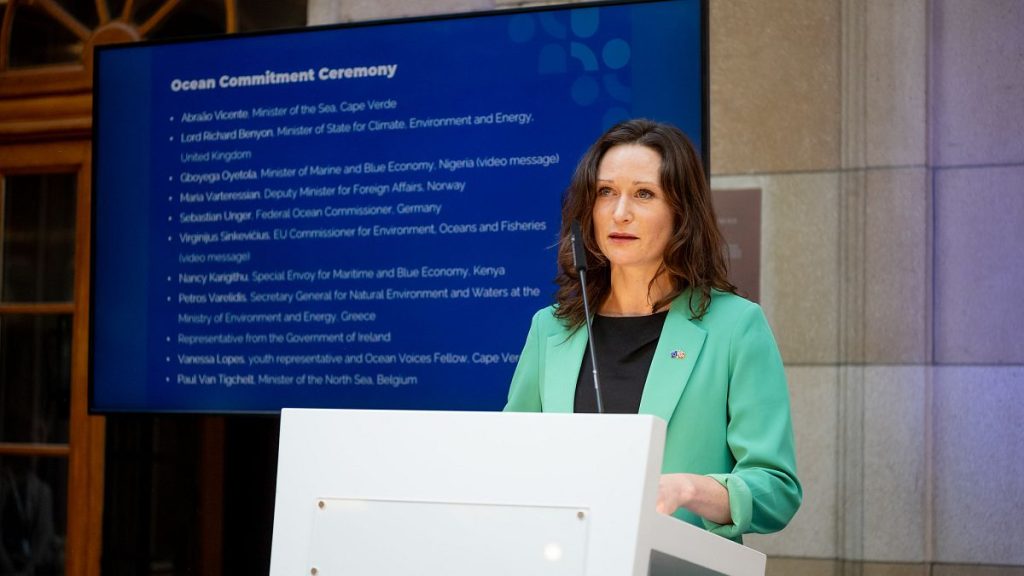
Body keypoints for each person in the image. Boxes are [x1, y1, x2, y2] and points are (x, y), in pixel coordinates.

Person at [504, 119, 801, 541]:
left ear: (682, 211)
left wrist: (690, 489)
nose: (619, 212)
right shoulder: (550, 328)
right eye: (606, 192)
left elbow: (777, 489)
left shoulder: (735, 326)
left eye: (644, 194)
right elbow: (510, 460)